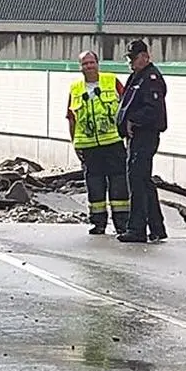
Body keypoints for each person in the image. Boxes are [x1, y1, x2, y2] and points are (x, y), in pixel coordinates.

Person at [66, 50, 130, 234]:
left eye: (91, 62)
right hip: (88, 146)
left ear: (98, 63)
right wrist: (75, 143)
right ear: (80, 67)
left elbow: (127, 106)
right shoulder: (75, 89)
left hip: (113, 143)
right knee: (94, 187)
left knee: (119, 185)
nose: (89, 66)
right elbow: (71, 118)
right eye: (85, 63)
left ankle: (122, 224)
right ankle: (98, 223)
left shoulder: (111, 81)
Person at [116, 39, 168, 243]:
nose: (130, 62)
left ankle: (137, 228)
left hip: (145, 135)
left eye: (134, 58)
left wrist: (133, 120)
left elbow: (153, 110)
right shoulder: (136, 77)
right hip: (135, 137)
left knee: (137, 180)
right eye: (129, 58)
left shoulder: (151, 78)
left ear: (145, 57)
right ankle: (157, 226)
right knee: (143, 181)